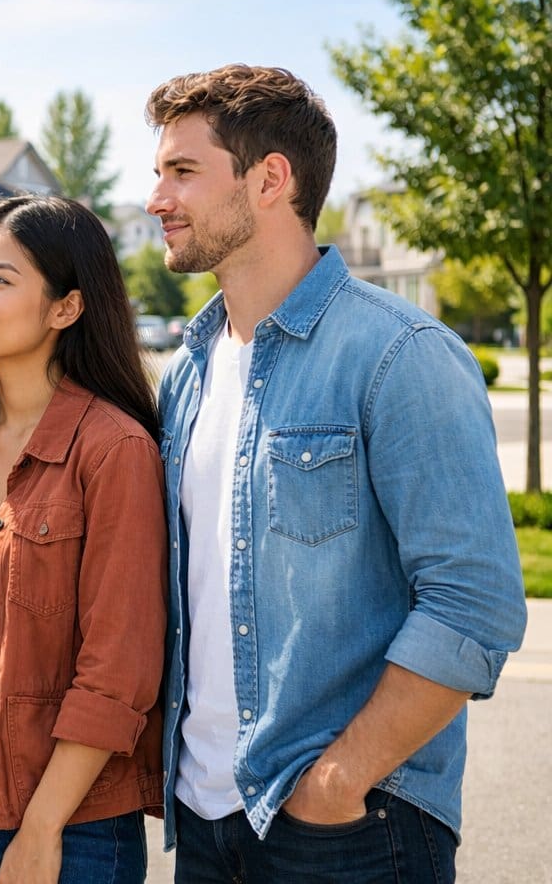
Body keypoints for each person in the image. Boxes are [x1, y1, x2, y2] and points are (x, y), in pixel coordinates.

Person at [146, 64, 527, 883]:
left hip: (350, 830)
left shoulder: (398, 356)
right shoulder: (190, 369)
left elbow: (475, 602)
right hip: (208, 824)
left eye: (182, 171)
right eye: (159, 173)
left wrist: (340, 780)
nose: (157, 199)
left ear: (270, 179)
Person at [0, 193, 168, 884]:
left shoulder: (112, 449)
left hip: (66, 810)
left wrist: (43, 826)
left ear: (67, 307)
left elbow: (119, 667)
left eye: (0, 279)